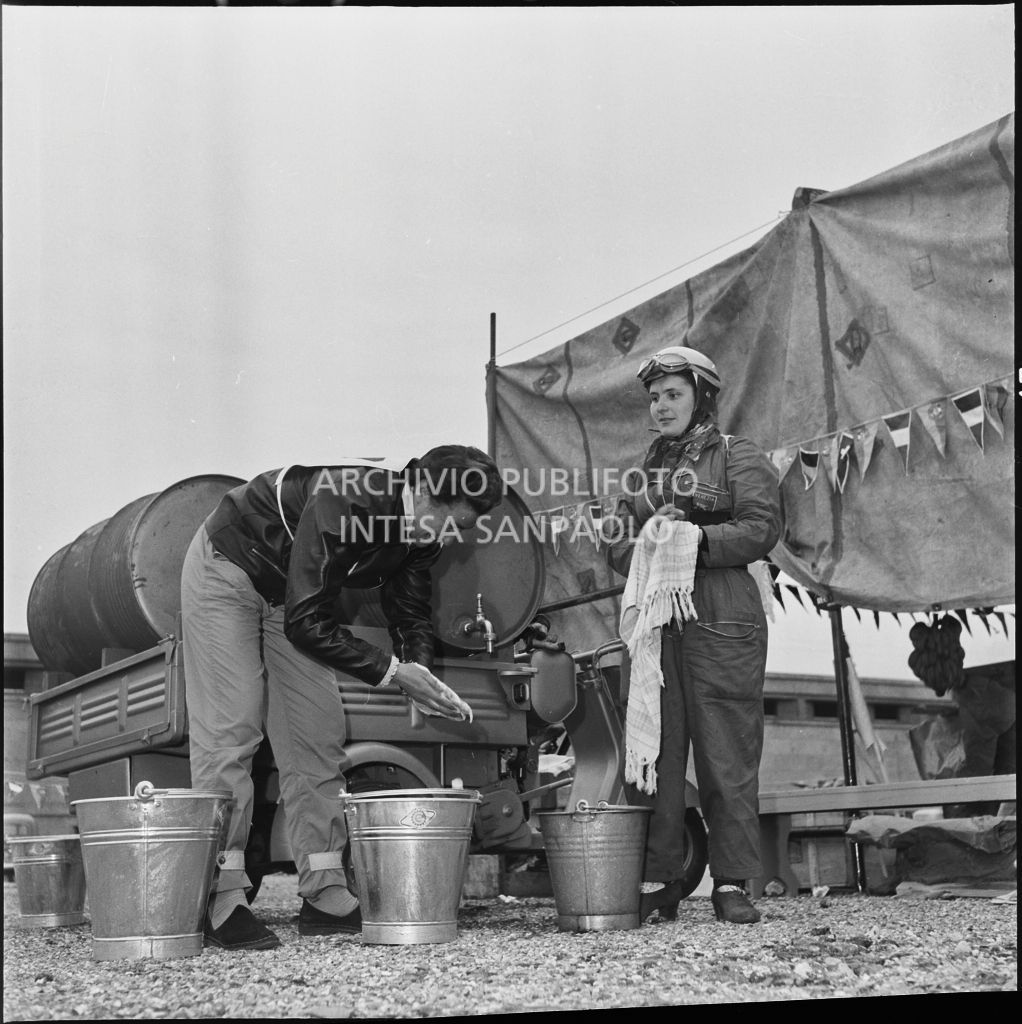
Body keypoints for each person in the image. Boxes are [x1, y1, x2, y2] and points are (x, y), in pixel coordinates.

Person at [181, 445, 504, 950]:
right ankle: (219, 894)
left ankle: (325, 888)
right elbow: (308, 622)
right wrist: (396, 674)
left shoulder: (422, 533)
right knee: (233, 727)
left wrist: (421, 673)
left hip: (287, 597)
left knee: (318, 731)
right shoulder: (348, 500)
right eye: (444, 521)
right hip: (231, 568)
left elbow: (410, 613)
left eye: (458, 530)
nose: (445, 537)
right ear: (419, 489)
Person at [607, 345, 781, 925]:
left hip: (722, 615)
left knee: (725, 753)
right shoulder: (642, 475)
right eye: (655, 397)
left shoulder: (738, 455)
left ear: (702, 397)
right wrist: (647, 541)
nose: (660, 406)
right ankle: (661, 879)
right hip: (657, 625)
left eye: (673, 395)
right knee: (652, 749)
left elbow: (761, 528)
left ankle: (732, 883)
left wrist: (695, 541)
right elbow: (613, 544)